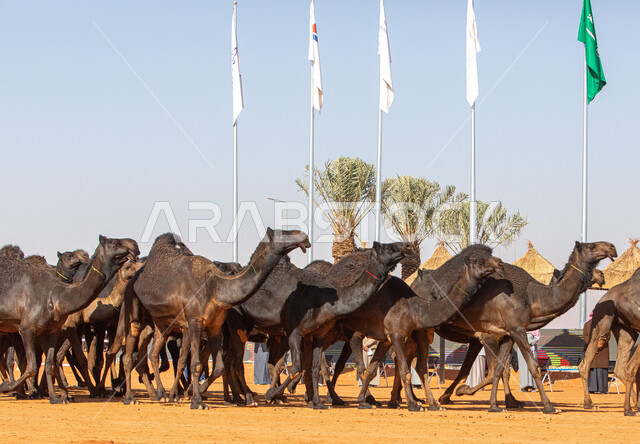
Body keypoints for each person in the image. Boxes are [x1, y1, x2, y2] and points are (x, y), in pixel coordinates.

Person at [583, 314, 609, 394]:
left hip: (602, 350)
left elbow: (607, 336)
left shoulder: (605, 324)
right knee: (592, 368)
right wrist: (592, 345)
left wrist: (599, 345)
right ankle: (591, 388)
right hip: (590, 349)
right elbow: (585, 336)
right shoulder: (587, 324)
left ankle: (602, 389)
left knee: (601, 369)